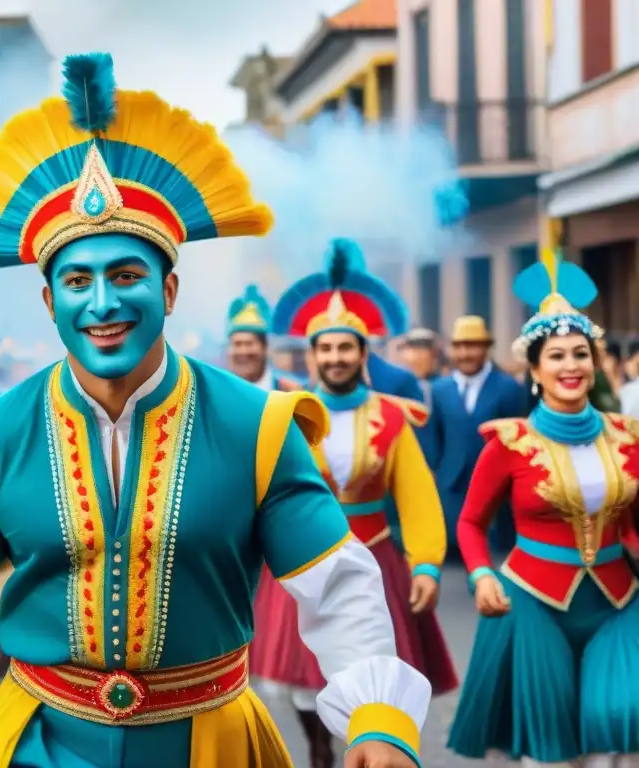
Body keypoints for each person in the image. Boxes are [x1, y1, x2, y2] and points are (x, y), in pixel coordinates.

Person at [0, 52, 430, 768]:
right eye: (77, 280)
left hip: (212, 743)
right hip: (43, 744)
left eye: (126, 275)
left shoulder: (260, 426)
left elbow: (336, 583)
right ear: (50, 302)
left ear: (167, 291)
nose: (101, 302)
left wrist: (379, 720)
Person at [250, 239, 457, 768]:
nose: (335, 357)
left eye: (346, 348)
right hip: (299, 560)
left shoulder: (393, 416)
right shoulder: (283, 414)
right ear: (311, 354)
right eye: (325, 348)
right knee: (298, 677)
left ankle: (361, 747)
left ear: (364, 354)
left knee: (372, 673)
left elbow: (416, 496)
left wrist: (428, 562)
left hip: (377, 558)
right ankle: (320, 749)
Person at [447, 249, 639, 767]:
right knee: (551, 751)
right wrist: (482, 576)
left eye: (580, 353)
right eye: (556, 356)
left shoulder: (629, 436)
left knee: (619, 728)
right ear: (534, 369)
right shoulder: (508, 443)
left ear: (596, 362)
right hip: (532, 602)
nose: (570, 366)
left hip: (619, 601)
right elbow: (470, 522)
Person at [429, 316, 527, 559]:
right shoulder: (440, 389)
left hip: (498, 494)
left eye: (472, 345)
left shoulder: (508, 388)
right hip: (451, 489)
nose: (465, 353)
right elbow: (435, 439)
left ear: (486, 347)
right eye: (459, 346)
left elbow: (520, 441)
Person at [225, 284, 302, 390]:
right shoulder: (219, 392)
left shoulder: (288, 392)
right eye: (237, 344)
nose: (243, 351)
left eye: (249, 344)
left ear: (265, 347)